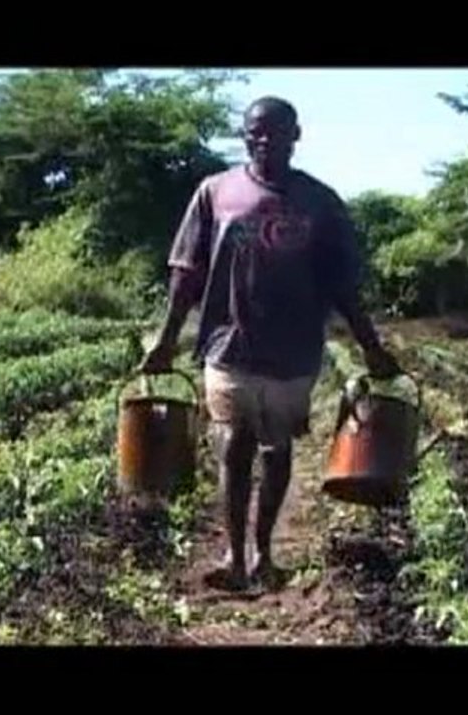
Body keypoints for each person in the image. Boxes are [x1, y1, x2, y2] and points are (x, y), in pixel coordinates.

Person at [139, 97, 402, 590]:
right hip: (227, 342)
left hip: (294, 347)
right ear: (244, 136)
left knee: (276, 448)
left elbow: (343, 286)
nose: (265, 140)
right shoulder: (214, 192)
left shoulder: (320, 202)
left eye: (276, 132)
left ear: (296, 136)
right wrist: (166, 339)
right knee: (233, 444)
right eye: (255, 132)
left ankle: (264, 552)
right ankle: (235, 557)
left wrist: (370, 346)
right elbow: (186, 274)